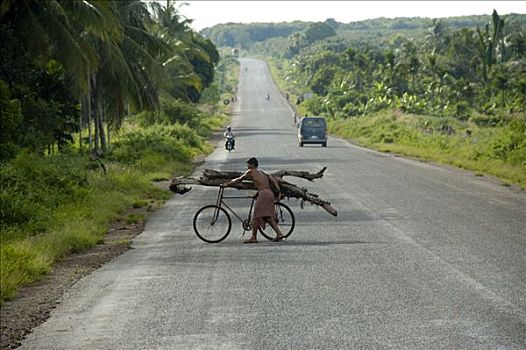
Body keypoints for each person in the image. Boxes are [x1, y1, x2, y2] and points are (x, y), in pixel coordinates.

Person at [222, 157, 284, 243]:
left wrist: (227, 184)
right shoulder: (263, 172)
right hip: (269, 193)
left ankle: (254, 237)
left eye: (248, 165)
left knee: (256, 216)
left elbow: (239, 179)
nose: (247, 167)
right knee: (266, 216)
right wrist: (278, 192)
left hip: (263, 194)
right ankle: (279, 234)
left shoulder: (251, 171)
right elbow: (273, 180)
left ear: (253, 165)